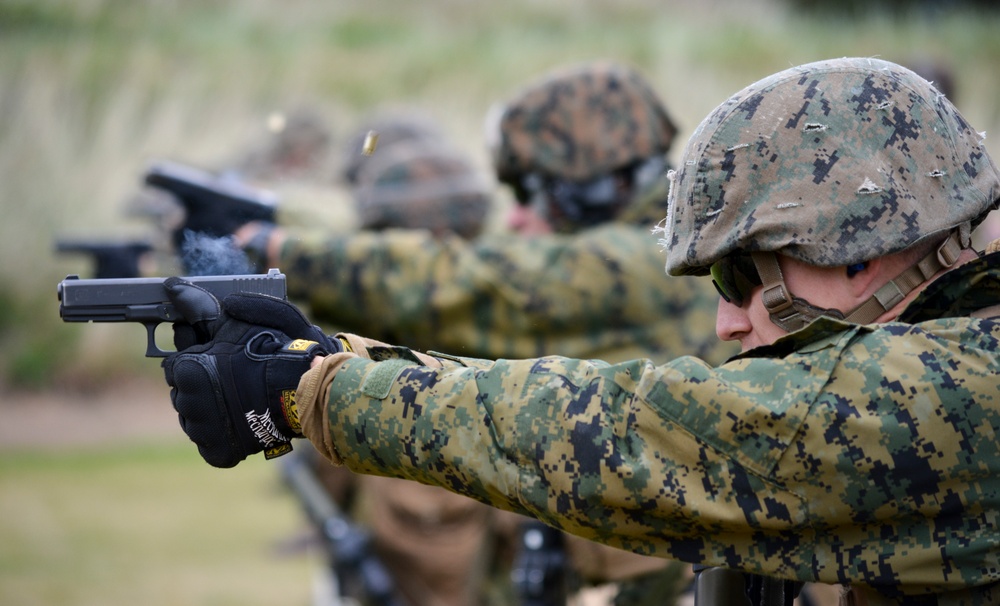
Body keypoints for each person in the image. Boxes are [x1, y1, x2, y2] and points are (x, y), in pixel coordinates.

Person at [157, 56, 1000, 604]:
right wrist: (330, 361)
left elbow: (647, 432)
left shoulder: (965, 384)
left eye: (748, 274)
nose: (724, 317)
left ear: (859, 240)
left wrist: (316, 386)